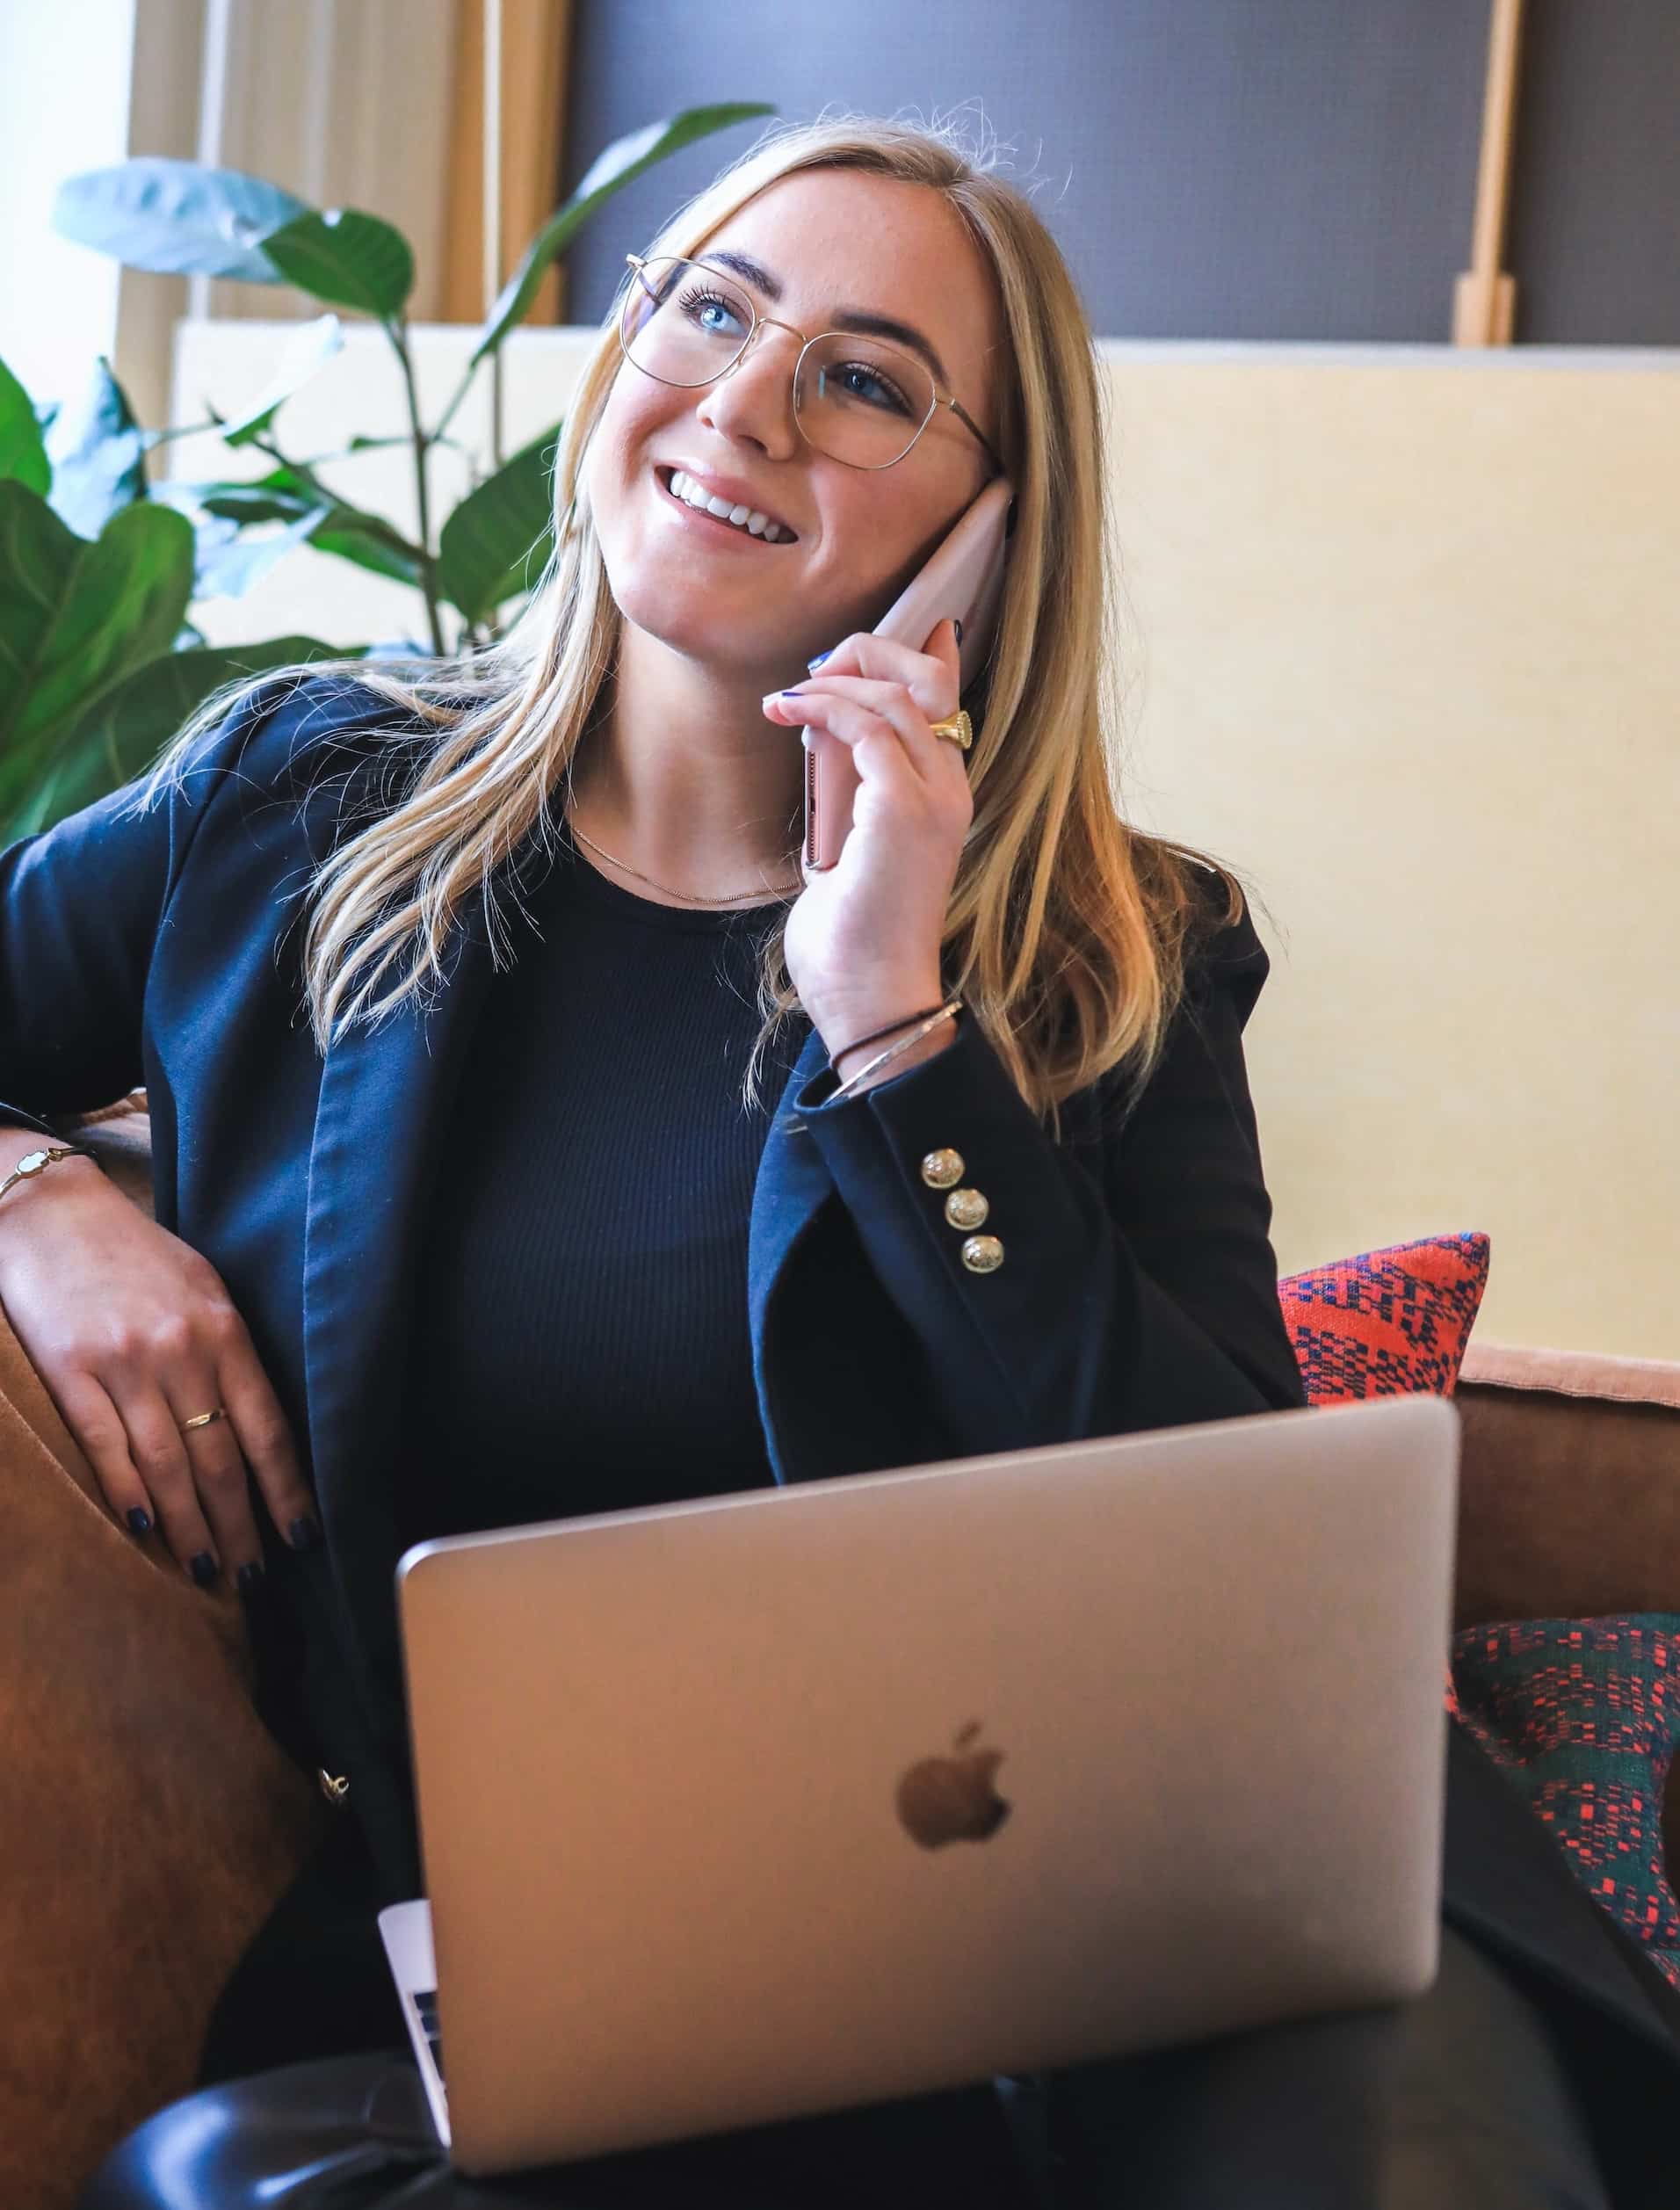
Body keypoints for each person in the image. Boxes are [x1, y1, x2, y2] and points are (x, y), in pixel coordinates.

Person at [4, 113, 1677, 2210]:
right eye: (709, 310)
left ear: (985, 527)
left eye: (864, 378)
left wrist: (896, 1026)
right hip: (583, 1976)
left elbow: (1220, 1539)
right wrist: (34, 1194)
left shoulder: (1113, 955)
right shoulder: (295, 809)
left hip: (1160, 1944)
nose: (741, 403)